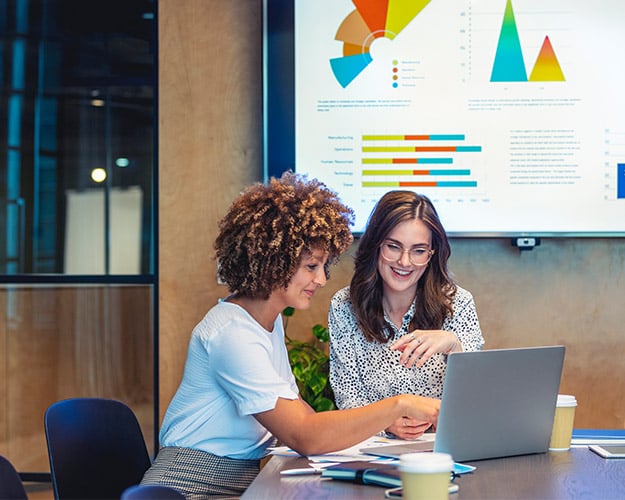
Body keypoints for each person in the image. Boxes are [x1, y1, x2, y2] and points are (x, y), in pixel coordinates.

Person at [140, 173, 441, 498]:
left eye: (323, 267)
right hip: (189, 486)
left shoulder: (265, 322)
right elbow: (304, 434)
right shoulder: (231, 334)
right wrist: (400, 405)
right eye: (311, 266)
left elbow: (302, 418)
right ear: (274, 262)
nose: (322, 280)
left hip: (239, 480)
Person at [328, 190, 484, 441]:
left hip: (443, 448)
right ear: (376, 245)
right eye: (393, 246)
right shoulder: (345, 306)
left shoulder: (458, 303)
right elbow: (348, 396)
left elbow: (477, 397)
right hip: (372, 449)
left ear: (431, 254)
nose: (404, 261)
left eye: (418, 251)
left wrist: (454, 345)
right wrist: (386, 423)